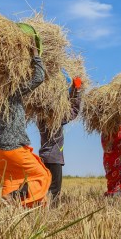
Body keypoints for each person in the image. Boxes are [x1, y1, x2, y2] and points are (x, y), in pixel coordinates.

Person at [0, 24, 51, 207]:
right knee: (42, 175)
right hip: (13, 148)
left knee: (11, 181)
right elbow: (39, 77)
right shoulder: (13, 91)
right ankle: (15, 198)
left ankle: (13, 210)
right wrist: (35, 56)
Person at [37, 76, 83, 204]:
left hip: (43, 157)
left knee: (45, 188)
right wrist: (77, 91)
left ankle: (43, 209)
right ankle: (52, 212)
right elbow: (73, 111)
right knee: (55, 190)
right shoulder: (56, 119)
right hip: (54, 158)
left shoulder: (40, 118)